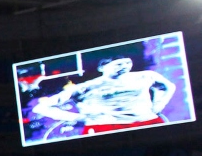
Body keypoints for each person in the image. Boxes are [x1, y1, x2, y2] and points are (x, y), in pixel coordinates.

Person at [31, 56, 176, 135]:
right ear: (102, 68)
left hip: (146, 121)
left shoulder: (146, 76)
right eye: (118, 64)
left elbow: (168, 86)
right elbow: (41, 108)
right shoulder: (86, 87)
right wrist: (76, 118)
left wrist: (159, 105)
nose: (124, 66)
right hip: (105, 127)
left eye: (127, 63)